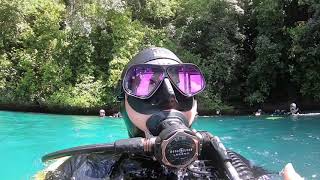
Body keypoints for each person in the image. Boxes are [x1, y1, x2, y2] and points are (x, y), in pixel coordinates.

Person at [40, 47, 302, 180]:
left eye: (184, 82)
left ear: (196, 105)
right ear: (123, 106)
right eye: (144, 82)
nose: (169, 96)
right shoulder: (87, 167)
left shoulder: (228, 163)